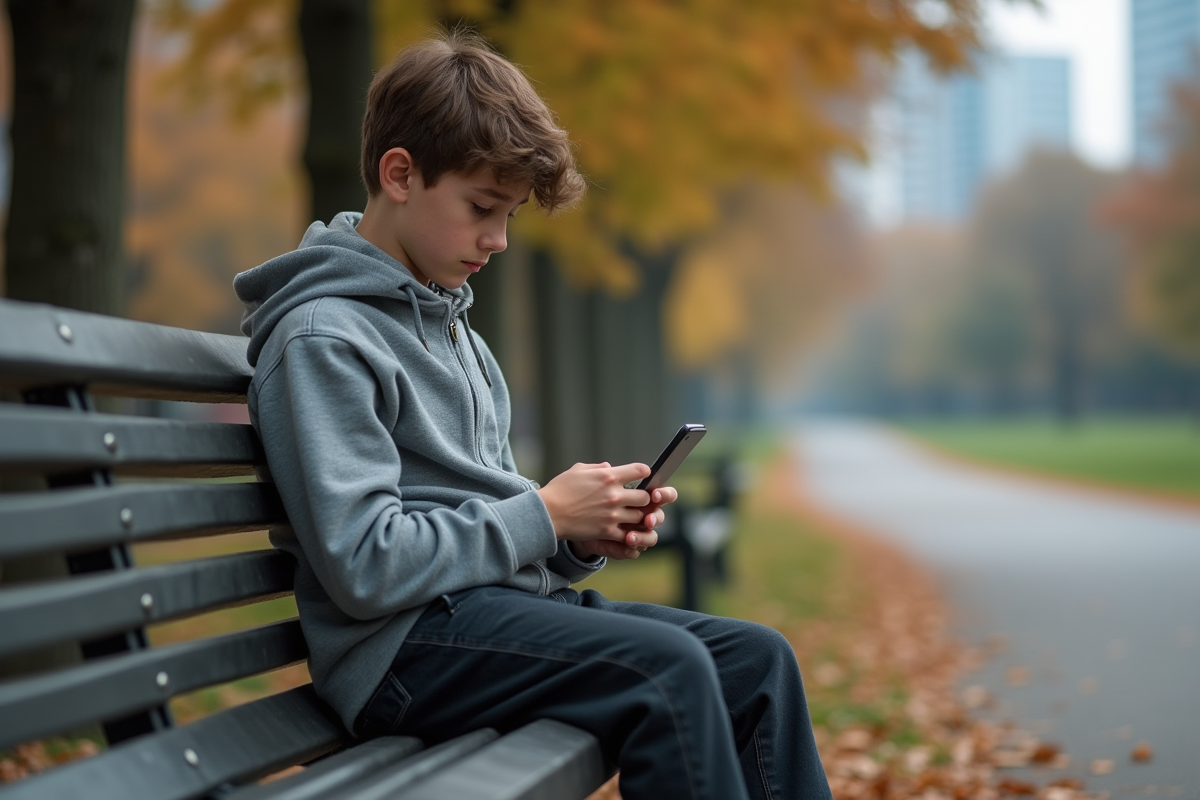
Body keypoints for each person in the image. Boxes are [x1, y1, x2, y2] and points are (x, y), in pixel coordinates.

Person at [234, 29, 832, 800]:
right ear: (400, 174)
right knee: (669, 672)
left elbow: (494, 526)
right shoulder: (323, 338)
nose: (500, 239)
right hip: (403, 654)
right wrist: (545, 515)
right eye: (483, 207)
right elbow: (365, 563)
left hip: (483, 620)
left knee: (759, 661)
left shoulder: (458, 335)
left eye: (511, 214)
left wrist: (579, 536)